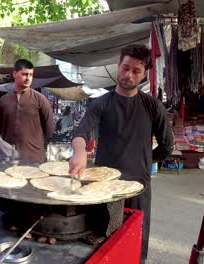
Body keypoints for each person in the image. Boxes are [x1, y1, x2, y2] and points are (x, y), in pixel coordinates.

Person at [68, 45, 173, 264]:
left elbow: (166, 146)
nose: (128, 75)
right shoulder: (101, 103)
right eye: (125, 68)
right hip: (102, 188)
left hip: (138, 189)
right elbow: (81, 133)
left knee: (135, 247)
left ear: (144, 74)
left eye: (136, 71)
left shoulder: (153, 106)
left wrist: (144, 161)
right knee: (101, 244)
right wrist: (79, 151)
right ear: (118, 66)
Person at [0, 59, 55, 164]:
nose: (28, 78)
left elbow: (49, 128)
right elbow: (0, 127)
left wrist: (36, 144)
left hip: (33, 158)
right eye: (24, 74)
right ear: (15, 74)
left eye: (31, 75)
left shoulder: (40, 99)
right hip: (8, 159)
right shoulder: (3, 101)